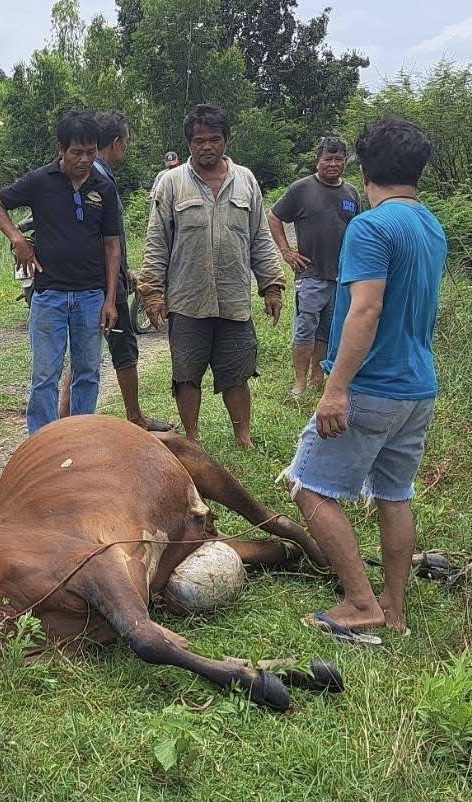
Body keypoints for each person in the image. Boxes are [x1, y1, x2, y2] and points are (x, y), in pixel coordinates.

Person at [282, 117, 446, 641]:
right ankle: (394, 610)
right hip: (417, 387)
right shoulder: (431, 225)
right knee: (394, 494)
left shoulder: (371, 227)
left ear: (364, 166)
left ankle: (360, 602)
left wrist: (335, 388)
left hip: (372, 387)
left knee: (310, 487)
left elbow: (365, 311)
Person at [138, 104, 286, 450]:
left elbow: (260, 237)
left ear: (226, 140)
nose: (207, 147)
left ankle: (243, 438)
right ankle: (192, 439)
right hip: (188, 300)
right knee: (186, 374)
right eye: (199, 141)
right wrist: (152, 293)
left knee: (237, 373)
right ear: (189, 144)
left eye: (214, 139)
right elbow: (156, 240)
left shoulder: (246, 180)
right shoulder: (172, 183)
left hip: (234, 300)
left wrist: (272, 286)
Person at [0, 110, 122, 435]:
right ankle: (42, 442)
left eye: (91, 152)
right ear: (61, 149)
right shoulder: (40, 181)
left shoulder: (103, 188)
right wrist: (18, 239)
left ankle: (80, 437)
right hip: (49, 294)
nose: (85, 159)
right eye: (77, 152)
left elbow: (112, 246)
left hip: (91, 295)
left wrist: (111, 300)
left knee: (88, 371)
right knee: (45, 375)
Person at [54, 110, 173, 431]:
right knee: (123, 348)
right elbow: (105, 240)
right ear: (117, 142)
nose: (126, 149)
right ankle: (134, 416)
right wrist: (116, 278)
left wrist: (127, 271)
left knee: (84, 349)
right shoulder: (98, 177)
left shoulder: (94, 174)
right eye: (127, 143)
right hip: (103, 283)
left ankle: (66, 418)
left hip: (102, 277)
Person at [269, 137, 362, 398]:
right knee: (306, 327)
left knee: (328, 329)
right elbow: (274, 217)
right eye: (327, 159)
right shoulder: (302, 189)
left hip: (342, 276)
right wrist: (286, 251)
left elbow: (358, 229)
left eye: (338, 159)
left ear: (346, 161)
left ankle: (317, 377)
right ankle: (299, 382)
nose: (333, 164)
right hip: (311, 274)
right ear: (317, 161)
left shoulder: (352, 193)